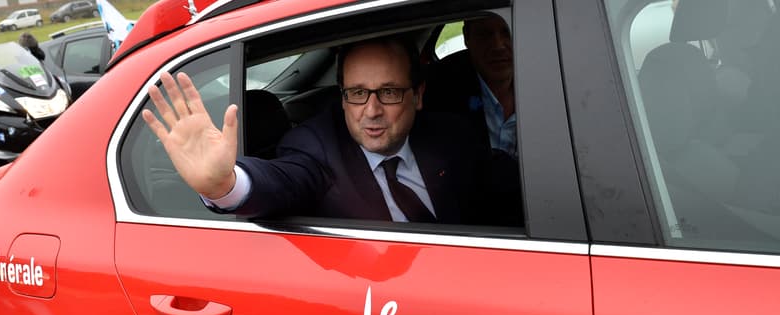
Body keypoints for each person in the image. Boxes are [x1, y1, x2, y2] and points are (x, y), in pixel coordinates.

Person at [142, 36, 522, 225]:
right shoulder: (316, 147)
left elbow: (517, 190)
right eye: (357, 93)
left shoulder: (452, 136)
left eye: (388, 92)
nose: (371, 111)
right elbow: (282, 180)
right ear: (342, 98)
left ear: (418, 95)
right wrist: (224, 184)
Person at [424, 15, 516, 157]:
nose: (498, 45)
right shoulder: (441, 95)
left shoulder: (548, 81)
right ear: (467, 37)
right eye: (485, 34)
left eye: (507, 32)